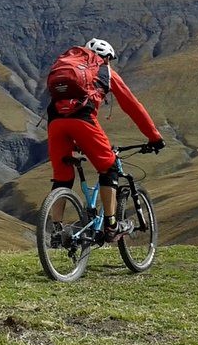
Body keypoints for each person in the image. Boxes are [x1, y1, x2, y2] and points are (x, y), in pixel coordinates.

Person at [46, 38, 164, 243]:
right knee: (108, 167)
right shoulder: (105, 71)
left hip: (55, 121)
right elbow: (132, 106)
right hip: (82, 121)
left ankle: (56, 231)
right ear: (107, 57)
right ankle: (111, 225)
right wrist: (154, 137)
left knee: (62, 176)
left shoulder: (66, 65)